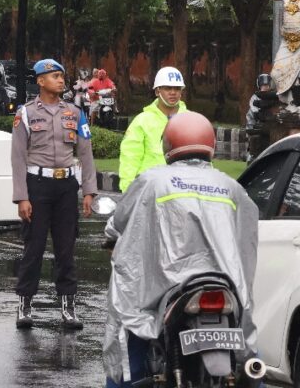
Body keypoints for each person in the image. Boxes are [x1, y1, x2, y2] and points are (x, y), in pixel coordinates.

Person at [103, 112, 259, 387]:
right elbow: (248, 238)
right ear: (211, 145)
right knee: (251, 357)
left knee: (130, 323)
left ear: (168, 146)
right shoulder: (232, 188)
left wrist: (112, 237)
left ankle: (126, 382)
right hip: (223, 284)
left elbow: (118, 222)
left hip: (166, 286)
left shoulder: (152, 181)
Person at [11, 59, 98, 330]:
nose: (61, 81)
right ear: (40, 81)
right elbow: (17, 157)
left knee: (66, 249)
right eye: (55, 76)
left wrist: (89, 191)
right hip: (37, 186)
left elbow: (85, 152)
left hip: (65, 188)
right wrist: (21, 197)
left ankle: (68, 307)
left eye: (62, 76)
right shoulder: (25, 113)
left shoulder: (74, 112)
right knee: (33, 248)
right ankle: (25, 305)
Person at [117, 67, 188, 192]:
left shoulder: (192, 120)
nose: (173, 92)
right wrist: (128, 191)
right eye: (167, 88)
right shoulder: (142, 121)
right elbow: (130, 158)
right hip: (149, 191)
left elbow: (203, 159)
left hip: (183, 191)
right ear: (157, 91)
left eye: (177, 88)